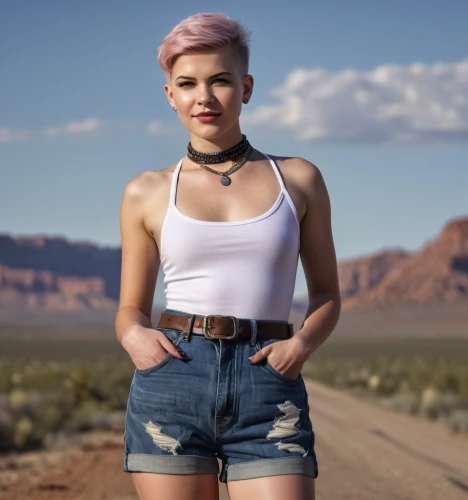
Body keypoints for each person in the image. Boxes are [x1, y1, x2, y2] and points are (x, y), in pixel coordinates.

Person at [115, 12, 341, 500]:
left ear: (247, 86)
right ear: (170, 95)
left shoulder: (298, 179)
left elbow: (326, 294)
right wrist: (136, 337)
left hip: (268, 379)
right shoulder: (146, 192)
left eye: (220, 80)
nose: (204, 97)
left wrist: (299, 348)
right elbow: (130, 308)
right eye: (187, 83)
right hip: (173, 378)